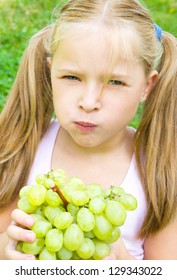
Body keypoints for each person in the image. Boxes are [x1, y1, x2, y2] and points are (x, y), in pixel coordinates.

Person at [0, 0, 177, 260]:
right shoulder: (19, 148)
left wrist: (125, 268)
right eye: (72, 77)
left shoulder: (160, 170)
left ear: (146, 86)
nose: (89, 102)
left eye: (115, 82)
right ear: (50, 71)